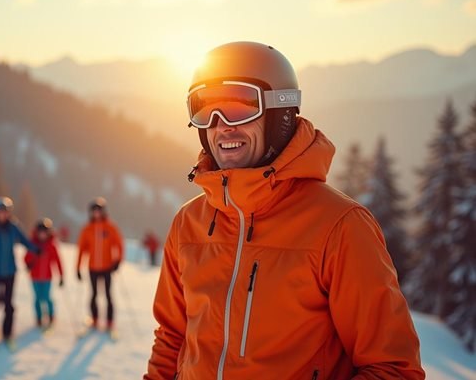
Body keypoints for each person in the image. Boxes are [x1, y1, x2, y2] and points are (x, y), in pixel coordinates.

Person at [144, 42, 425, 379]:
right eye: (205, 110)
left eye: (239, 107)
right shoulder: (188, 223)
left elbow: (393, 368)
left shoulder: (340, 227)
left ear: (281, 114)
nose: (221, 125)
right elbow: (172, 338)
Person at [0, 196, 40, 345]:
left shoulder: (13, 227)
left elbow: (24, 241)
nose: (3, 215)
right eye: (0, 212)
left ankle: (7, 332)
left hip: (10, 272)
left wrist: (36, 250)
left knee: (9, 304)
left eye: (5, 212)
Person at [76, 197, 124, 332]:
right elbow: (81, 249)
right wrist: (78, 267)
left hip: (107, 267)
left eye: (98, 211)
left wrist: (118, 261)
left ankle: (109, 321)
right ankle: (95, 319)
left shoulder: (110, 227)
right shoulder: (87, 229)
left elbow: (119, 245)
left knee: (108, 294)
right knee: (94, 294)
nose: (96, 213)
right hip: (92, 268)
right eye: (94, 211)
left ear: (103, 212)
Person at [24, 217, 64, 329]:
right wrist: (29, 263)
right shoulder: (32, 244)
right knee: (37, 298)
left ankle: (50, 315)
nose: (42, 235)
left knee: (46, 297)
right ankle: (39, 317)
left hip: (47, 277)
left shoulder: (51, 246)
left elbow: (57, 261)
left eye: (44, 232)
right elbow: (26, 258)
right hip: (35, 277)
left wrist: (61, 275)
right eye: (40, 232)